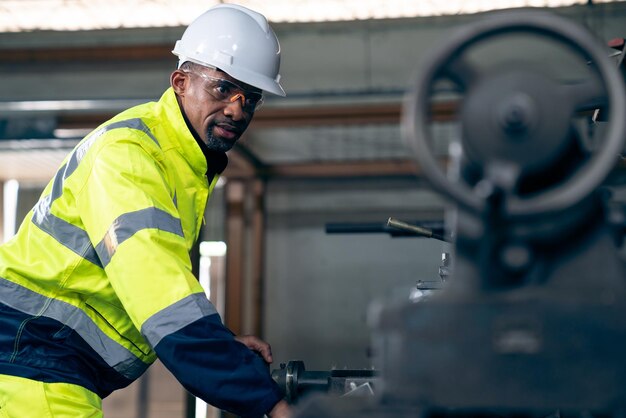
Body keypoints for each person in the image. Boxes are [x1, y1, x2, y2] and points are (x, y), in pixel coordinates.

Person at [0, 4, 291, 418]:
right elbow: (157, 289)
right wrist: (269, 402)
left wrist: (222, 346)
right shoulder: (131, 157)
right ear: (180, 82)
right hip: (30, 362)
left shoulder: (182, 165)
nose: (236, 109)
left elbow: (158, 282)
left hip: (41, 363)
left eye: (251, 98)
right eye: (223, 89)